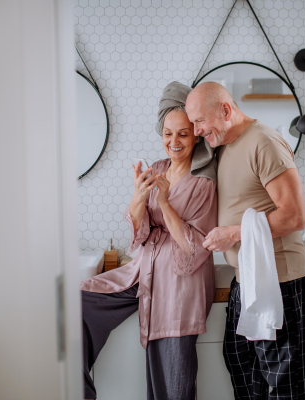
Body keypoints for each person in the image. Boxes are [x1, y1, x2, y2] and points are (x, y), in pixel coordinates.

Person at [80, 82, 217, 400]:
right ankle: (78, 391)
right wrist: (138, 199)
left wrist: (166, 203)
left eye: (183, 133)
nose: (174, 141)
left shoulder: (204, 182)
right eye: (168, 133)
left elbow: (193, 248)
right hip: (143, 269)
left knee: (173, 373)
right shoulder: (158, 169)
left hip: (181, 281)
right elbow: (140, 232)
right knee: (79, 307)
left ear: (196, 134)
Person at [185, 82, 305, 400]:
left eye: (200, 121)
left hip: (280, 278)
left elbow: (295, 216)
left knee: (282, 379)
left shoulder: (264, 141)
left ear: (226, 109)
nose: (197, 130)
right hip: (248, 276)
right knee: (240, 363)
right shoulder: (225, 145)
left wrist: (235, 232)